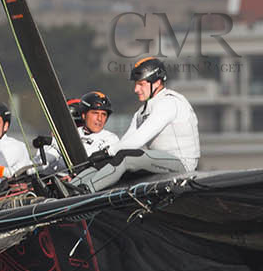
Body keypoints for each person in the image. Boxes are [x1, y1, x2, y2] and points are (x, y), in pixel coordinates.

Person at [74, 57, 200, 190]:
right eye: (135, 84)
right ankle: (69, 189)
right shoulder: (141, 112)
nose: (136, 89)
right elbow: (125, 142)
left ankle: (84, 191)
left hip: (182, 164)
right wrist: (102, 157)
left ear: (156, 83)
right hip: (159, 163)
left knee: (125, 157)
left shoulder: (169, 102)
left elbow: (138, 141)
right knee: (110, 159)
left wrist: (107, 151)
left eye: (140, 84)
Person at [77, 89, 121, 158]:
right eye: (95, 113)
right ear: (84, 115)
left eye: (103, 114)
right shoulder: (71, 134)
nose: (99, 119)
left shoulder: (111, 139)